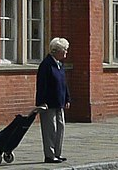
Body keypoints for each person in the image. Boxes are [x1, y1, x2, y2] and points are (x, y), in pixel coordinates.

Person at [36, 36, 71, 164]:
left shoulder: (60, 65)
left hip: (59, 101)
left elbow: (64, 83)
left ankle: (57, 153)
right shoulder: (46, 65)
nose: (66, 53)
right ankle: (49, 155)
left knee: (60, 128)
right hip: (48, 103)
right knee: (50, 130)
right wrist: (41, 102)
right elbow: (42, 85)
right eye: (64, 50)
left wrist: (67, 98)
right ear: (56, 51)